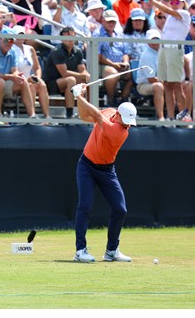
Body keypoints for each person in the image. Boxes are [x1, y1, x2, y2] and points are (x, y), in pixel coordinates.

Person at [70, 83, 136, 263]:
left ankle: (111, 251)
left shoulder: (121, 132)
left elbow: (97, 115)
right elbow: (86, 116)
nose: (128, 125)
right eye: (126, 120)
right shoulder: (109, 112)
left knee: (120, 209)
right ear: (118, 114)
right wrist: (80, 98)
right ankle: (80, 251)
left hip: (107, 171)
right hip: (86, 166)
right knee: (85, 206)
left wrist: (79, 96)